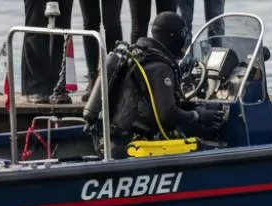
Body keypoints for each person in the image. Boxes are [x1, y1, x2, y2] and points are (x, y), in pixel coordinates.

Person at [88, 11, 225, 157]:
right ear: (173, 36)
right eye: (183, 34)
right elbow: (168, 114)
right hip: (134, 146)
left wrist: (193, 108)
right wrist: (198, 115)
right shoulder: (161, 69)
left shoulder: (139, 56)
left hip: (115, 140)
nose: (184, 39)